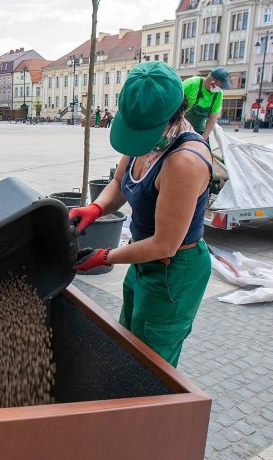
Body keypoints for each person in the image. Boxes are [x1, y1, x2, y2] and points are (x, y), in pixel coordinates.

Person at [69, 61, 213, 368]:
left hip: (174, 271)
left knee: (151, 365)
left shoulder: (184, 162)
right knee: (130, 344)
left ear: (172, 115)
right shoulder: (146, 140)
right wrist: (95, 208)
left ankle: (152, 414)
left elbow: (165, 245)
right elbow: (120, 182)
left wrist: (105, 256)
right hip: (143, 259)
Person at [182, 67, 229, 140]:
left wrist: (203, 139)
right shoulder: (192, 83)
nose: (221, 89)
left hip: (198, 129)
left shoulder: (218, 94)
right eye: (221, 86)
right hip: (179, 125)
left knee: (205, 149)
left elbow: (212, 118)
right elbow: (173, 102)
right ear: (212, 82)